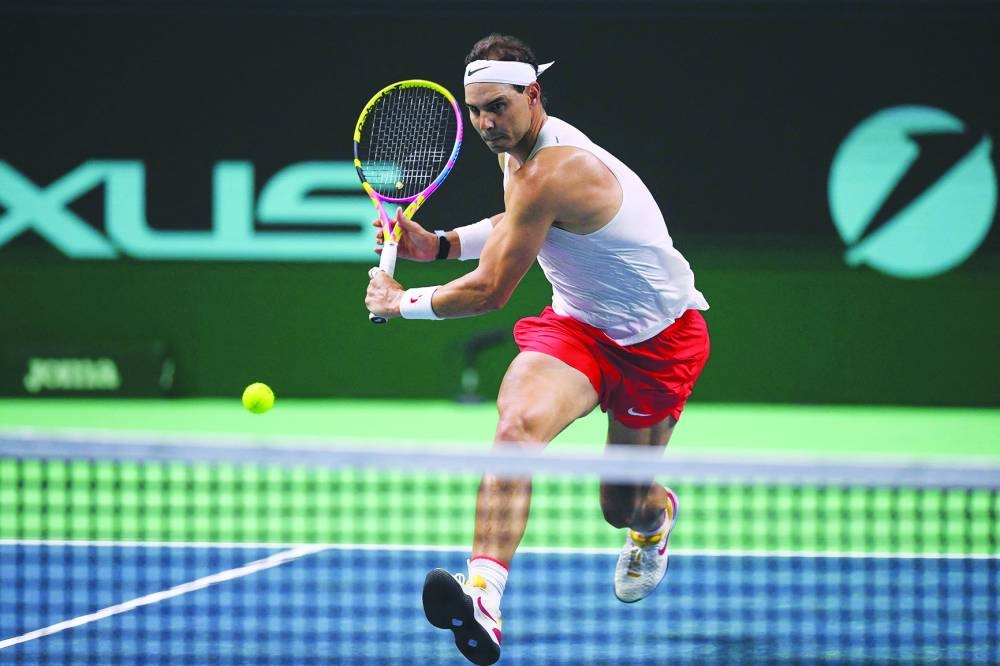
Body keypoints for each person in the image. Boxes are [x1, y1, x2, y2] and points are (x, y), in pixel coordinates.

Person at [365, 33, 710, 666]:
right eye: (475, 110)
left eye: (498, 106)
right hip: (577, 327)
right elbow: (516, 224)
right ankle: (484, 602)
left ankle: (654, 522)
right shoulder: (515, 156)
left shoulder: (556, 168)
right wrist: (437, 244)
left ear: (534, 94)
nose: (486, 123)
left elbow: (493, 290)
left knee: (620, 505)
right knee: (515, 425)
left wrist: (402, 301)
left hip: (658, 339)